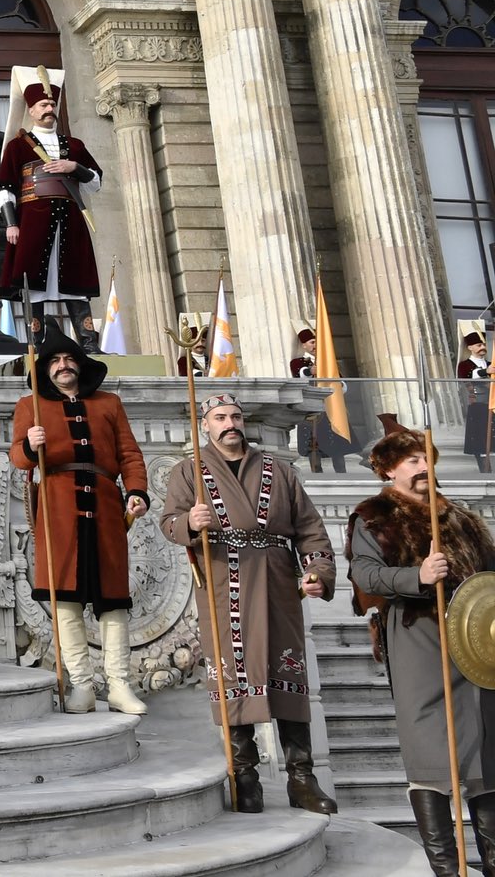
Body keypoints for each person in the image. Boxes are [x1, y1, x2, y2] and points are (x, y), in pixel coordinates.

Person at [159, 393, 336, 815]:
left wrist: (317, 573)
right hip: (224, 581)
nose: (230, 423)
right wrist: (189, 523)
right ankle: (245, 777)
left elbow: (311, 531)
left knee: (287, 672)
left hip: (277, 579)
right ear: (205, 425)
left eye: (235, 416)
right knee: (232, 673)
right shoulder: (188, 473)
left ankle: (301, 779)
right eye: (220, 417)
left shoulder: (280, 471)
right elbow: (167, 523)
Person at [349, 428, 495, 873]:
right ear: (388, 469)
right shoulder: (372, 517)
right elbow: (365, 575)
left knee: (485, 757)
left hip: (474, 648)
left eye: (427, 459)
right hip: (417, 640)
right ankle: (448, 871)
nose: (424, 468)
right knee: (429, 753)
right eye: (412, 461)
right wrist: (418, 576)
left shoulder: (461, 518)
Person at [9, 332, 149, 716]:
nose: (63, 365)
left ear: (80, 364)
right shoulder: (30, 406)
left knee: (112, 600)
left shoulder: (109, 404)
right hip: (57, 505)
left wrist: (136, 490)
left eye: (69, 358)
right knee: (66, 598)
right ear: (44, 368)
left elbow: (129, 454)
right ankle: (82, 686)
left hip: (105, 503)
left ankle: (119, 685)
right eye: (54, 361)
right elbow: (18, 459)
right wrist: (28, 445)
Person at [0, 71, 103, 349]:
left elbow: (96, 182)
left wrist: (73, 167)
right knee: (34, 283)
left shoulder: (75, 146)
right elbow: (4, 188)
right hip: (32, 223)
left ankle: (89, 343)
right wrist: (11, 223)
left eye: (52, 105)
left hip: (70, 223)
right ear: (31, 110)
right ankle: (37, 343)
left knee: (75, 282)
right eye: (43, 105)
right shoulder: (17, 146)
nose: (49, 110)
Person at [463, 332, 491, 473]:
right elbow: (467, 376)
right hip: (477, 405)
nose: (483, 347)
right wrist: (486, 371)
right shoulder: (465, 365)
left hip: (492, 403)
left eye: (484, 344)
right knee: (479, 437)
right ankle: (482, 464)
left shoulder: (490, 363)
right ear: (470, 347)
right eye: (479, 345)